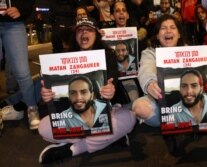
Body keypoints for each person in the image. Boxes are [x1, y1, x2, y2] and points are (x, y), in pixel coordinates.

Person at [38, 17, 136, 164]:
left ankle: (72, 149)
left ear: (96, 34)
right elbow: (55, 96)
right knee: (43, 128)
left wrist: (110, 89)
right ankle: (108, 138)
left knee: (130, 118)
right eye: (80, 30)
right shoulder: (62, 57)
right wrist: (48, 96)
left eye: (89, 30)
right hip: (72, 116)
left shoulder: (108, 55)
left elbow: (112, 80)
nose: (84, 33)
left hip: (104, 112)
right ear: (75, 35)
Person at [132, 14, 207, 128]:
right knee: (140, 107)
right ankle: (172, 122)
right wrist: (150, 83)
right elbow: (146, 69)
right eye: (163, 28)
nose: (168, 31)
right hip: (158, 98)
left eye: (172, 27)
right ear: (157, 35)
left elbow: (205, 67)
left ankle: (193, 121)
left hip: (193, 103)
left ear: (179, 34)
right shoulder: (149, 52)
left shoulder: (189, 50)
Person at [0, 0, 40, 130]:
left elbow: (29, 2)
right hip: (12, 24)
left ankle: (32, 109)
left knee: (22, 72)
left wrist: (20, 9)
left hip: (14, 24)